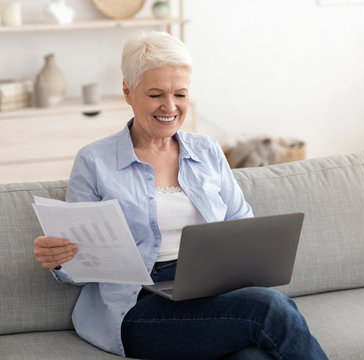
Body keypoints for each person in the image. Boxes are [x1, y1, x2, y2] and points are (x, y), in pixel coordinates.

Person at [33, 31, 328, 360]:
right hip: (137, 308)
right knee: (271, 309)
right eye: (156, 94)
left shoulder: (207, 150)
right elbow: (80, 261)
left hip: (212, 292)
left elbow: (241, 223)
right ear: (128, 92)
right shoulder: (95, 161)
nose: (170, 107)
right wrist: (59, 258)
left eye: (180, 94)